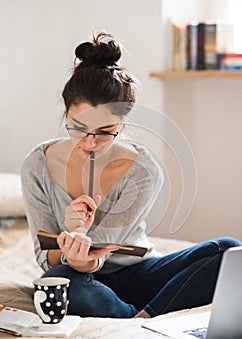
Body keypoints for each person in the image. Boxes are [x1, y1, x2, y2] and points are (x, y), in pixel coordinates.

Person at [21, 32, 241, 319]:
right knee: (61, 282)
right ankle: (129, 317)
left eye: (105, 132)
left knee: (229, 251)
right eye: (78, 128)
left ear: (122, 124)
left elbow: (104, 251)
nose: (89, 143)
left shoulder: (142, 170)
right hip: (80, 281)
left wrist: (84, 242)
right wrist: (74, 244)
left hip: (138, 274)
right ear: (66, 115)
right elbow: (45, 259)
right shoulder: (36, 166)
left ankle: (143, 318)